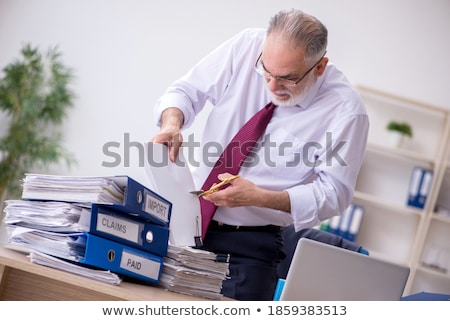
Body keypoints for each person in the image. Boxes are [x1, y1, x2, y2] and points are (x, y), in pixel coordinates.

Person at [151, 8, 369, 301]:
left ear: (320, 67)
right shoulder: (246, 46)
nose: (272, 86)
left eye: (288, 79)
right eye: (265, 71)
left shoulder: (346, 112)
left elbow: (334, 193)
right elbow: (186, 90)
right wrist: (172, 123)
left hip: (248, 250)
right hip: (181, 222)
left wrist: (259, 197)